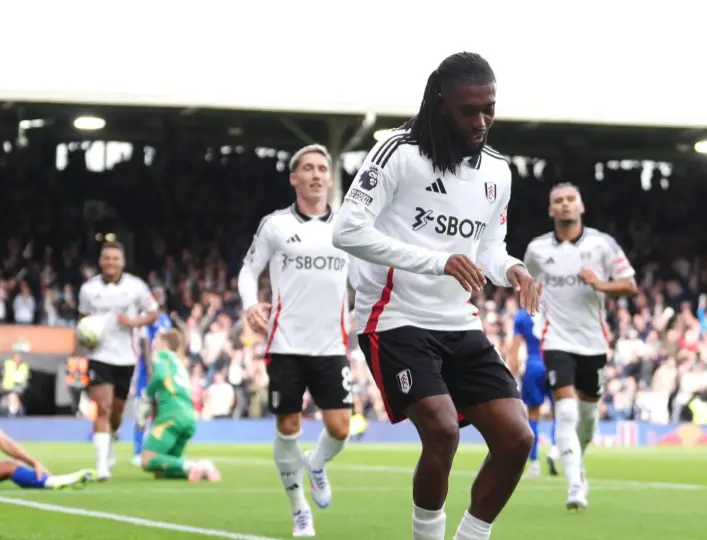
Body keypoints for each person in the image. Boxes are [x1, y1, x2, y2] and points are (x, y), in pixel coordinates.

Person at [331, 52, 539, 540]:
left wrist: (511, 267)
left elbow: (487, 246)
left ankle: (471, 536)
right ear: (440, 103)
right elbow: (346, 230)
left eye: (489, 108)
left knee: (516, 438)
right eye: (470, 110)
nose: (482, 120)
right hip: (393, 317)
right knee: (442, 430)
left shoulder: (498, 172)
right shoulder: (397, 153)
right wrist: (436, 260)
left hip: (458, 321)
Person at [237, 144, 352, 537]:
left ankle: (316, 464)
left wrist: (364, 314)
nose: (317, 174)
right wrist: (250, 304)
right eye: (309, 168)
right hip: (285, 343)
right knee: (287, 425)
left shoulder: (349, 227)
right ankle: (299, 506)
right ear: (294, 178)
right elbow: (248, 271)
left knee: (340, 428)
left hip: (331, 346)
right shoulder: (275, 225)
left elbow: (366, 280)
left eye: (323, 168)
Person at [522, 182, 637, 509]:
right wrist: (535, 305)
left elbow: (630, 285)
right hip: (556, 339)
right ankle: (575, 486)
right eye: (558, 201)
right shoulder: (537, 250)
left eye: (571, 199)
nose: (565, 205)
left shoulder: (603, 245)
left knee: (587, 419)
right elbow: (527, 283)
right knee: (567, 411)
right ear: (550, 210)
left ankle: (576, 460)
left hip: (594, 342)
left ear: (581, 206)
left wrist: (598, 283)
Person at [78, 241, 159, 481]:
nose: (110, 262)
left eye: (115, 258)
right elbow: (82, 319)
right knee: (102, 408)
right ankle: (102, 466)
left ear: (122, 262)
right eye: (106, 258)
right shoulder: (88, 289)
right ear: (100, 261)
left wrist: (132, 323)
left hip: (126, 357)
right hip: (99, 355)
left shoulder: (136, 287)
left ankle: (110, 440)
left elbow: (153, 313)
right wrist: (84, 342)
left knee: (116, 413)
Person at [137, 329, 220, 483]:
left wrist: (147, 394)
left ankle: (190, 465)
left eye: (157, 340)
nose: (154, 344)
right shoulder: (179, 362)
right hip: (189, 416)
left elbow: (160, 376)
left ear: (164, 344)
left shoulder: (162, 355)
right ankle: (203, 467)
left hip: (171, 415)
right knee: (161, 471)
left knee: (147, 460)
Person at [507, 307, 558, 477]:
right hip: (554, 362)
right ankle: (554, 450)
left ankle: (534, 464)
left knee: (533, 414)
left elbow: (514, 348)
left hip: (533, 365)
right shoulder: (554, 309)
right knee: (559, 412)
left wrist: (511, 375)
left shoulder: (522, 315)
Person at [131, 291, 173, 467]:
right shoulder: (145, 319)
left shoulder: (166, 320)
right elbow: (145, 343)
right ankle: (138, 451)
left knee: (159, 412)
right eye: (156, 295)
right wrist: (149, 368)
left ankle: (154, 449)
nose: (159, 298)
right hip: (146, 372)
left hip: (163, 370)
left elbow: (169, 344)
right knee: (143, 411)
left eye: (161, 295)